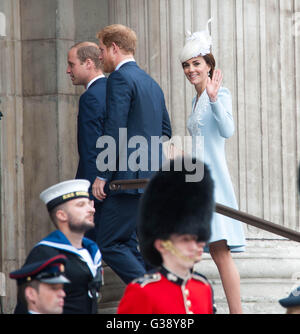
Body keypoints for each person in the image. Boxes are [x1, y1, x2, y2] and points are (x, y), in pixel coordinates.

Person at [92, 24, 172, 284]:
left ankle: (154, 293)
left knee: (109, 241)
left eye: (102, 50)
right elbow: (165, 131)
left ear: (114, 48)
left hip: (127, 181)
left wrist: (103, 173)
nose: (100, 56)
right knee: (148, 249)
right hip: (151, 180)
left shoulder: (119, 78)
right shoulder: (152, 83)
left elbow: (114, 128)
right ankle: (162, 296)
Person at [179, 19, 246, 314]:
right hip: (194, 183)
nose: (191, 69)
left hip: (213, 184)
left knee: (220, 252)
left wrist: (216, 99)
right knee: (187, 249)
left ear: (208, 65)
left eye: (196, 63)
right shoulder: (195, 101)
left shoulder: (220, 94)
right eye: (186, 65)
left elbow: (228, 130)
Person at [117, 158, 216, 314]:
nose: (196, 245)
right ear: (162, 245)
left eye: (196, 239)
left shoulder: (203, 288)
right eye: (185, 240)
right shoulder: (142, 292)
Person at [14, 179, 102, 314]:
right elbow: (27, 306)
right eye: (81, 205)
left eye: (89, 204)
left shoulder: (91, 251)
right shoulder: (45, 253)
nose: (91, 209)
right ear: (62, 215)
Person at [66, 42, 107, 241]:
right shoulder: (114, 91)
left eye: (71, 64)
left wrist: (87, 194)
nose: (68, 70)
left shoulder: (90, 97)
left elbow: (90, 149)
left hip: (95, 188)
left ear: (88, 63)